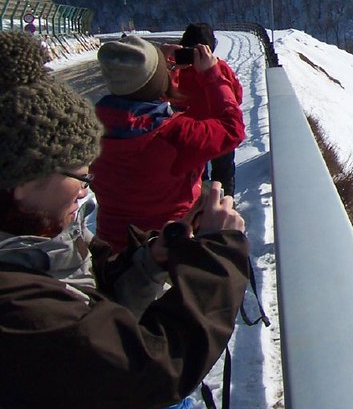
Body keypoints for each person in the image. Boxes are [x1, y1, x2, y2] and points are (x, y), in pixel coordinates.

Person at [0, 29, 249, 409]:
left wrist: (147, 262)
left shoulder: (100, 122)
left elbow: (86, 304)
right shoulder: (174, 132)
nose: (86, 191)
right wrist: (218, 255)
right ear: (24, 182)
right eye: (81, 178)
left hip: (117, 243)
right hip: (161, 243)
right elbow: (152, 367)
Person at [91, 34, 245, 253]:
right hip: (165, 246)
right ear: (158, 81)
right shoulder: (176, 135)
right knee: (217, 199)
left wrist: (158, 70)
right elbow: (232, 130)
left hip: (110, 249)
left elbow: (141, 106)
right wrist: (213, 75)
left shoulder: (90, 129)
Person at [173, 22, 244, 196]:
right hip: (219, 128)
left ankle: (200, 204)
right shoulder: (219, 68)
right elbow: (237, 96)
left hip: (192, 132)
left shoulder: (179, 72)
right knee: (224, 170)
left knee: (196, 175)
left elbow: (170, 97)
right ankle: (226, 203)